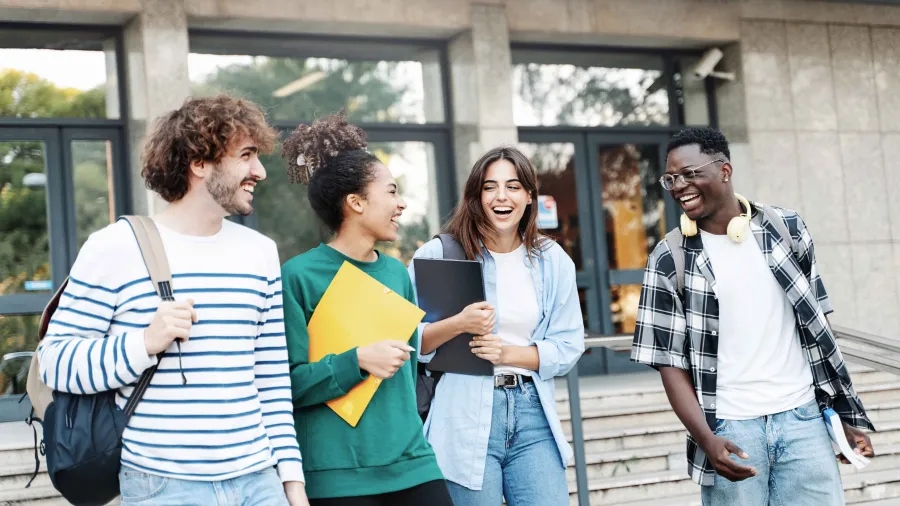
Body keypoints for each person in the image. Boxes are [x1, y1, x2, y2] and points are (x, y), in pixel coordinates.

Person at [36, 95, 308, 505]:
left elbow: (270, 380)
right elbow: (56, 363)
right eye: (247, 155)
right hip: (162, 487)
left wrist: (292, 485)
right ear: (200, 162)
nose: (260, 171)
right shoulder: (114, 246)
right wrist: (143, 342)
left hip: (259, 482)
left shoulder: (261, 252)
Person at [630, 126, 875, 505]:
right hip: (731, 428)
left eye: (690, 174)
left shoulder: (786, 229)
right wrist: (706, 439)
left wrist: (843, 414)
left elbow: (820, 330)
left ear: (724, 171)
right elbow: (669, 364)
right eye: (671, 178)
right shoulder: (669, 257)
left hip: (804, 422)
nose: (679, 186)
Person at [279, 112, 452, 506]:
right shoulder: (298, 276)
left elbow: (408, 374)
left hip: (413, 460)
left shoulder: (395, 272)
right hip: (339, 474)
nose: (401, 203)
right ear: (355, 202)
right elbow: (285, 384)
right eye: (391, 192)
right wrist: (355, 360)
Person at [408, 146, 585, 506]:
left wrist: (509, 353)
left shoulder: (552, 261)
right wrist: (458, 324)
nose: (501, 197)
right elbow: (410, 341)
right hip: (462, 412)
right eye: (490, 187)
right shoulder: (438, 255)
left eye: (513, 186)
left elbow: (568, 345)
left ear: (530, 196)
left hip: (532, 410)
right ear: (476, 196)